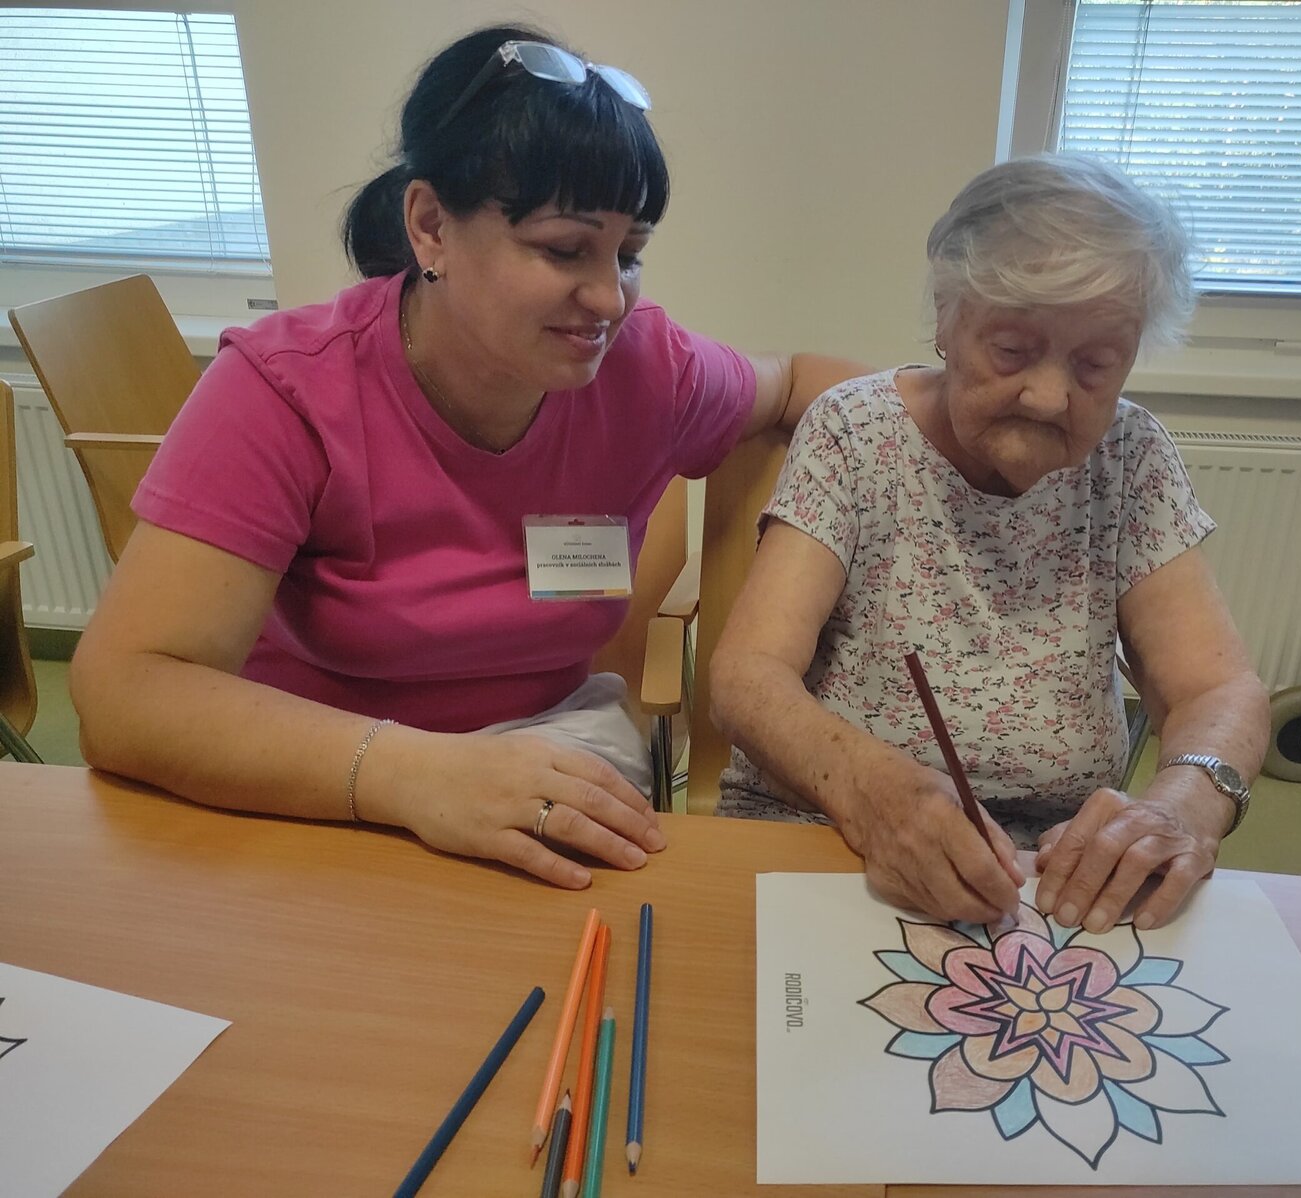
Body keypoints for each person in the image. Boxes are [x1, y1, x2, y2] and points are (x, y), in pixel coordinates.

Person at [70, 25, 861, 890]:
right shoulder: (286, 389)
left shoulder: (646, 367)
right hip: (315, 766)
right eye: (564, 249)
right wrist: (414, 775)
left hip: (546, 744)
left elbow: (798, 382)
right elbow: (125, 692)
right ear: (431, 227)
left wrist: (943, 418)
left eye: (629, 254)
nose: (609, 298)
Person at [712, 154, 1268, 932]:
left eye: (1095, 364)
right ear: (947, 316)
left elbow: (1218, 690)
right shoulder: (854, 433)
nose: (1048, 396)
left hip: (1051, 879)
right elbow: (747, 676)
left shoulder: (1131, 457)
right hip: (833, 835)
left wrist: (1184, 804)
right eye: (1011, 350)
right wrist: (871, 792)